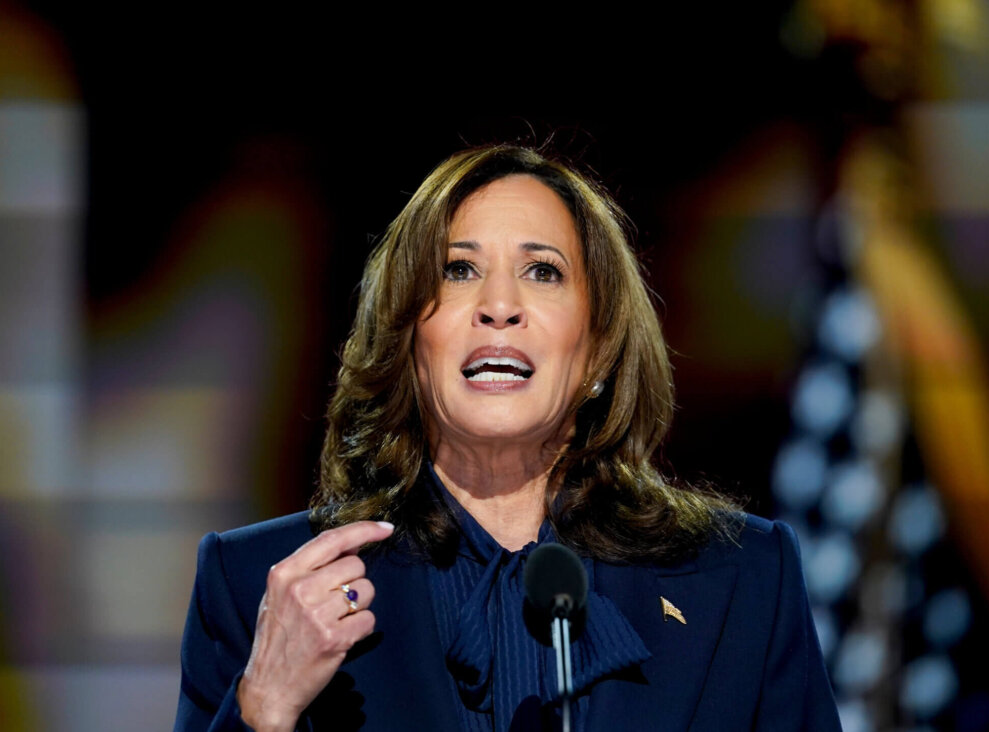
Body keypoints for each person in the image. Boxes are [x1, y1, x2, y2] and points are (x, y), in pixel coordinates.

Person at [173, 145, 841, 731]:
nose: (499, 304)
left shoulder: (740, 579)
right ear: (408, 339)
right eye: (458, 269)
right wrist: (263, 711)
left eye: (542, 271)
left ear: (600, 351)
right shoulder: (259, 585)